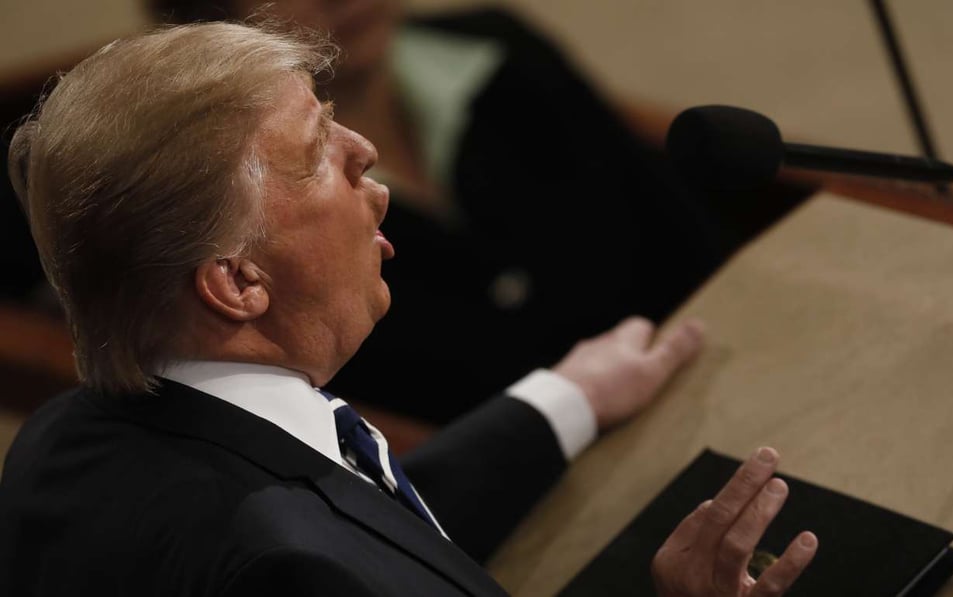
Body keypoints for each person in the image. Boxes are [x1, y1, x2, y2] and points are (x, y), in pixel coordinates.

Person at [0, 22, 816, 596]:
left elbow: (358, 517)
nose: (365, 154)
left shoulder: (66, 439)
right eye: (317, 150)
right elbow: (336, 558)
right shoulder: (287, 565)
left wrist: (564, 398)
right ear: (239, 282)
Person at [147, 0, 811, 425]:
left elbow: (688, 244)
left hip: (708, 400)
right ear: (208, 18)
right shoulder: (233, 206)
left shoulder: (500, 49)